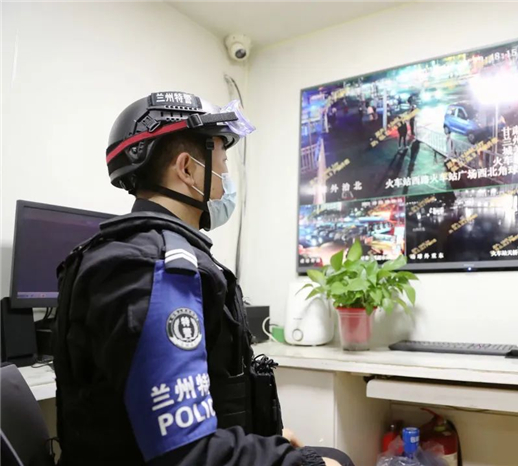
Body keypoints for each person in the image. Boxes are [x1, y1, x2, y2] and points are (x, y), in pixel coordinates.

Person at [52, 92, 352, 466]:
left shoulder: (148, 251)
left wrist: (264, 439)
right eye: (222, 163)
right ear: (187, 169)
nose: (226, 178)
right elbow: (186, 453)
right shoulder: (157, 268)